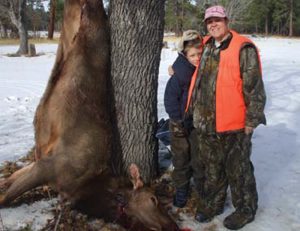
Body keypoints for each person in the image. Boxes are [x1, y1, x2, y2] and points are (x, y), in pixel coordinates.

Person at [185, 5, 266, 230]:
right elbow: (186, 57)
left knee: (238, 170)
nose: (213, 24)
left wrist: (251, 121)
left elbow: (255, 89)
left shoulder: (243, 48)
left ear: (226, 21)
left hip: (235, 124)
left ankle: (245, 210)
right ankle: (213, 204)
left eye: (217, 20)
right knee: (213, 168)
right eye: (209, 21)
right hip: (207, 122)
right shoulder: (207, 45)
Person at [164, 30, 203, 208]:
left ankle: (202, 187)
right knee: (180, 158)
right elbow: (170, 99)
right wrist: (176, 120)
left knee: (197, 156)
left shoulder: (203, 70)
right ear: (185, 55)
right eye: (192, 55)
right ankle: (181, 188)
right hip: (179, 122)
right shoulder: (180, 73)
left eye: (199, 54)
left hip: (197, 123)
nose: (196, 58)